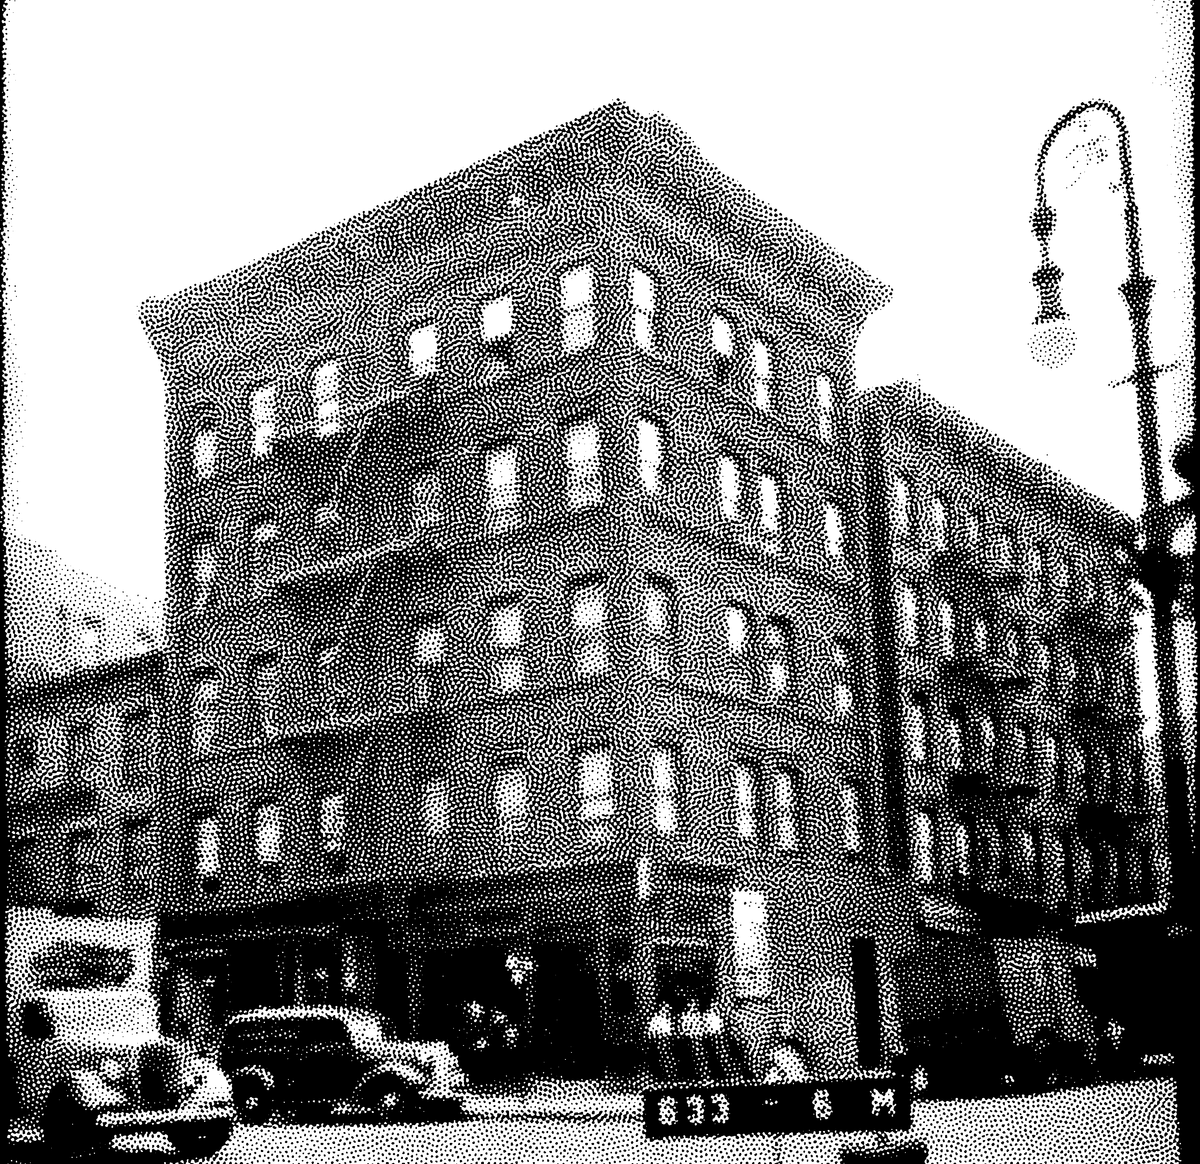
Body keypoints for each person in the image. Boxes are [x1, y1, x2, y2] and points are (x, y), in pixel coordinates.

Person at [647, 1003, 677, 1082]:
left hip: (665, 1042)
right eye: (665, 1009)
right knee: (663, 1059)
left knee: (668, 1059)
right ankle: (667, 1077)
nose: (667, 1011)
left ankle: (671, 1076)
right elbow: (652, 1031)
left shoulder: (666, 1019)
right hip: (660, 1042)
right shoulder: (657, 1019)